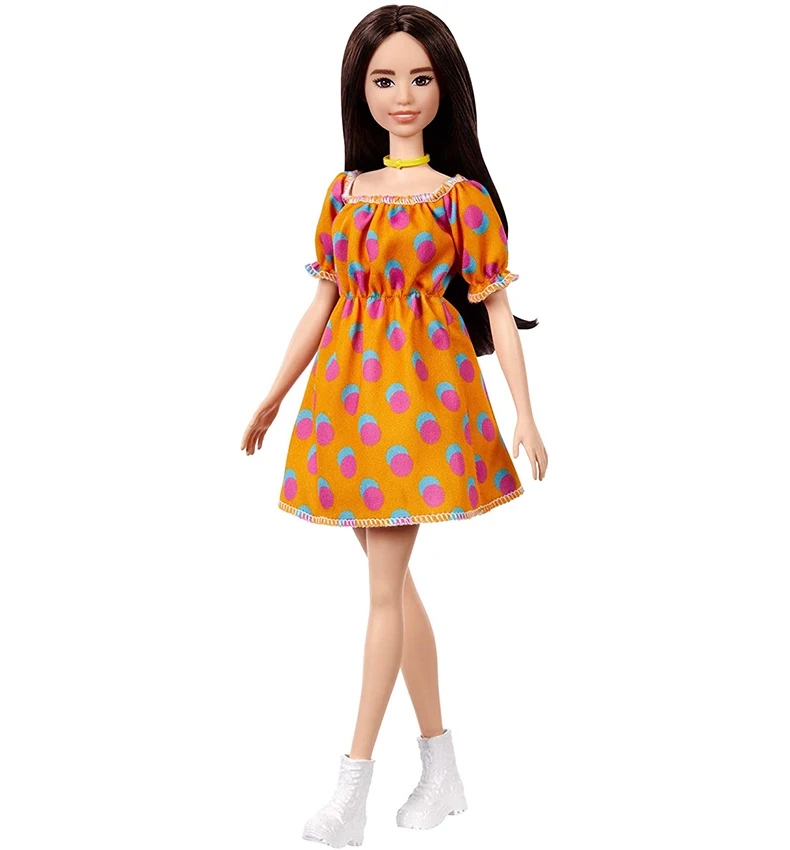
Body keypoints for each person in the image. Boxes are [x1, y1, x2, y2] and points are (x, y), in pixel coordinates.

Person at [240, 5, 548, 847]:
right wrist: (274, 394)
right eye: (384, 80)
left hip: (420, 406)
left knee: (382, 588)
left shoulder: (460, 199)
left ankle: (352, 789)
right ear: (360, 90)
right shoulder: (343, 194)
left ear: (445, 88)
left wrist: (524, 413)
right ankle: (442, 768)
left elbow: (494, 305)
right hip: (348, 404)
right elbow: (323, 303)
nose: (403, 95)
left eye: (420, 78)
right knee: (395, 585)